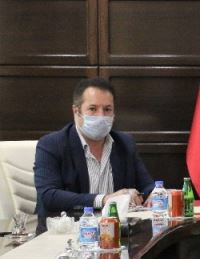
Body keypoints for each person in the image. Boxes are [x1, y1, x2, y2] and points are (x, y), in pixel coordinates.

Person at [33, 78, 155, 233]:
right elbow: (48, 196)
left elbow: (147, 185)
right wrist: (104, 199)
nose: (101, 116)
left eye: (107, 109)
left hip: (115, 235)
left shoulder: (125, 143)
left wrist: (155, 193)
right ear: (76, 111)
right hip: (65, 235)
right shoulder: (51, 144)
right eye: (92, 109)